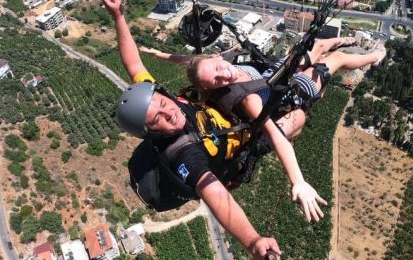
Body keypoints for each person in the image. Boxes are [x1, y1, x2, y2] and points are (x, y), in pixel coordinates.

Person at [101, 0, 281, 260]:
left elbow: (133, 63)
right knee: (295, 120)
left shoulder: (164, 101)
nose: (169, 113)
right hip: (242, 145)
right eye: (157, 119)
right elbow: (214, 194)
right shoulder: (182, 152)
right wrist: (252, 240)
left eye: (163, 103)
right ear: (152, 132)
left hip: (224, 117)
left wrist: (118, 16)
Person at [140, 36, 387, 222]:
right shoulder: (246, 100)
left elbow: (188, 62)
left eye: (217, 69)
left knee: (318, 45)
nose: (222, 76)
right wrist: (298, 181)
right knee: (335, 60)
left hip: (271, 76)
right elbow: (275, 136)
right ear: (210, 88)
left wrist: (158, 53)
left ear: (215, 58)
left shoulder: (216, 65)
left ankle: (343, 39)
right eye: (214, 81)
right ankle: (374, 57)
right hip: (289, 95)